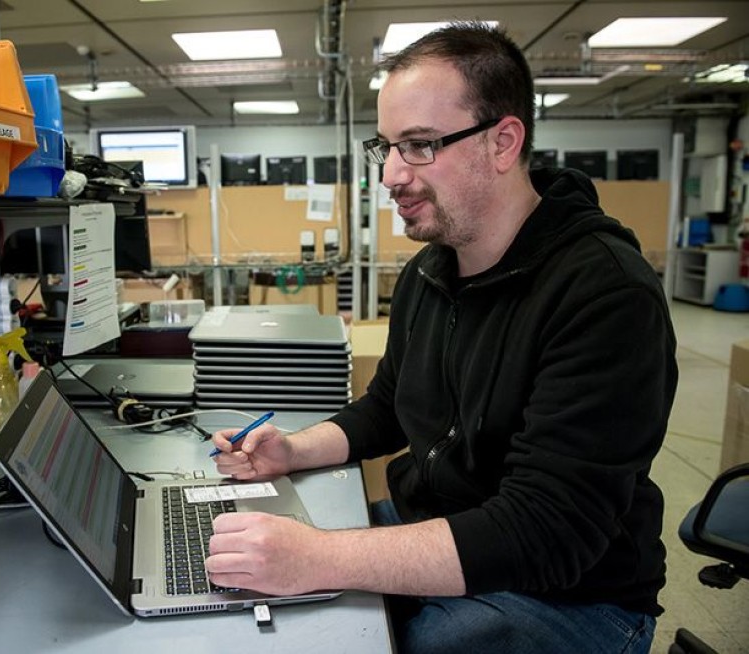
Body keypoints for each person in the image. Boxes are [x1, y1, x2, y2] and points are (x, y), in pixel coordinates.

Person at [205, 21, 677, 654]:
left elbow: (547, 531)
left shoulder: (605, 293)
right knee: (249, 604)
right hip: (442, 525)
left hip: (565, 595)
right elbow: (387, 406)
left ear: (503, 142)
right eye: (387, 147)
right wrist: (292, 450)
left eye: (420, 145)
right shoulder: (431, 271)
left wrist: (317, 558)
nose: (391, 175)